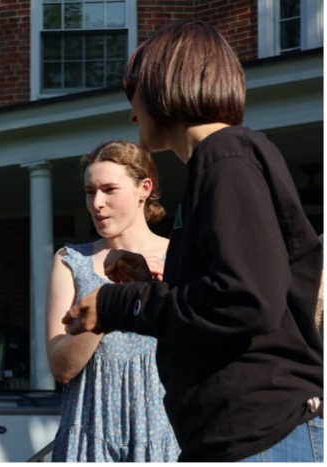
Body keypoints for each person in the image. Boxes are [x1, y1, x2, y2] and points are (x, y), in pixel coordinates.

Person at [63, 21, 323, 462]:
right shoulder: (219, 162)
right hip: (235, 434)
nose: (131, 113)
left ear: (166, 85)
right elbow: (235, 290)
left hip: (261, 433)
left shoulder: (228, 157)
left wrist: (116, 304)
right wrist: (155, 284)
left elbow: (245, 299)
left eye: (134, 91)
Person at [46, 140, 179, 462]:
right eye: (90, 191)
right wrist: (108, 299)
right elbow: (61, 368)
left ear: (143, 189)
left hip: (165, 433)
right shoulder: (71, 260)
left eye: (109, 189)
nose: (97, 203)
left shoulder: (179, 257)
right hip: (90, 432)